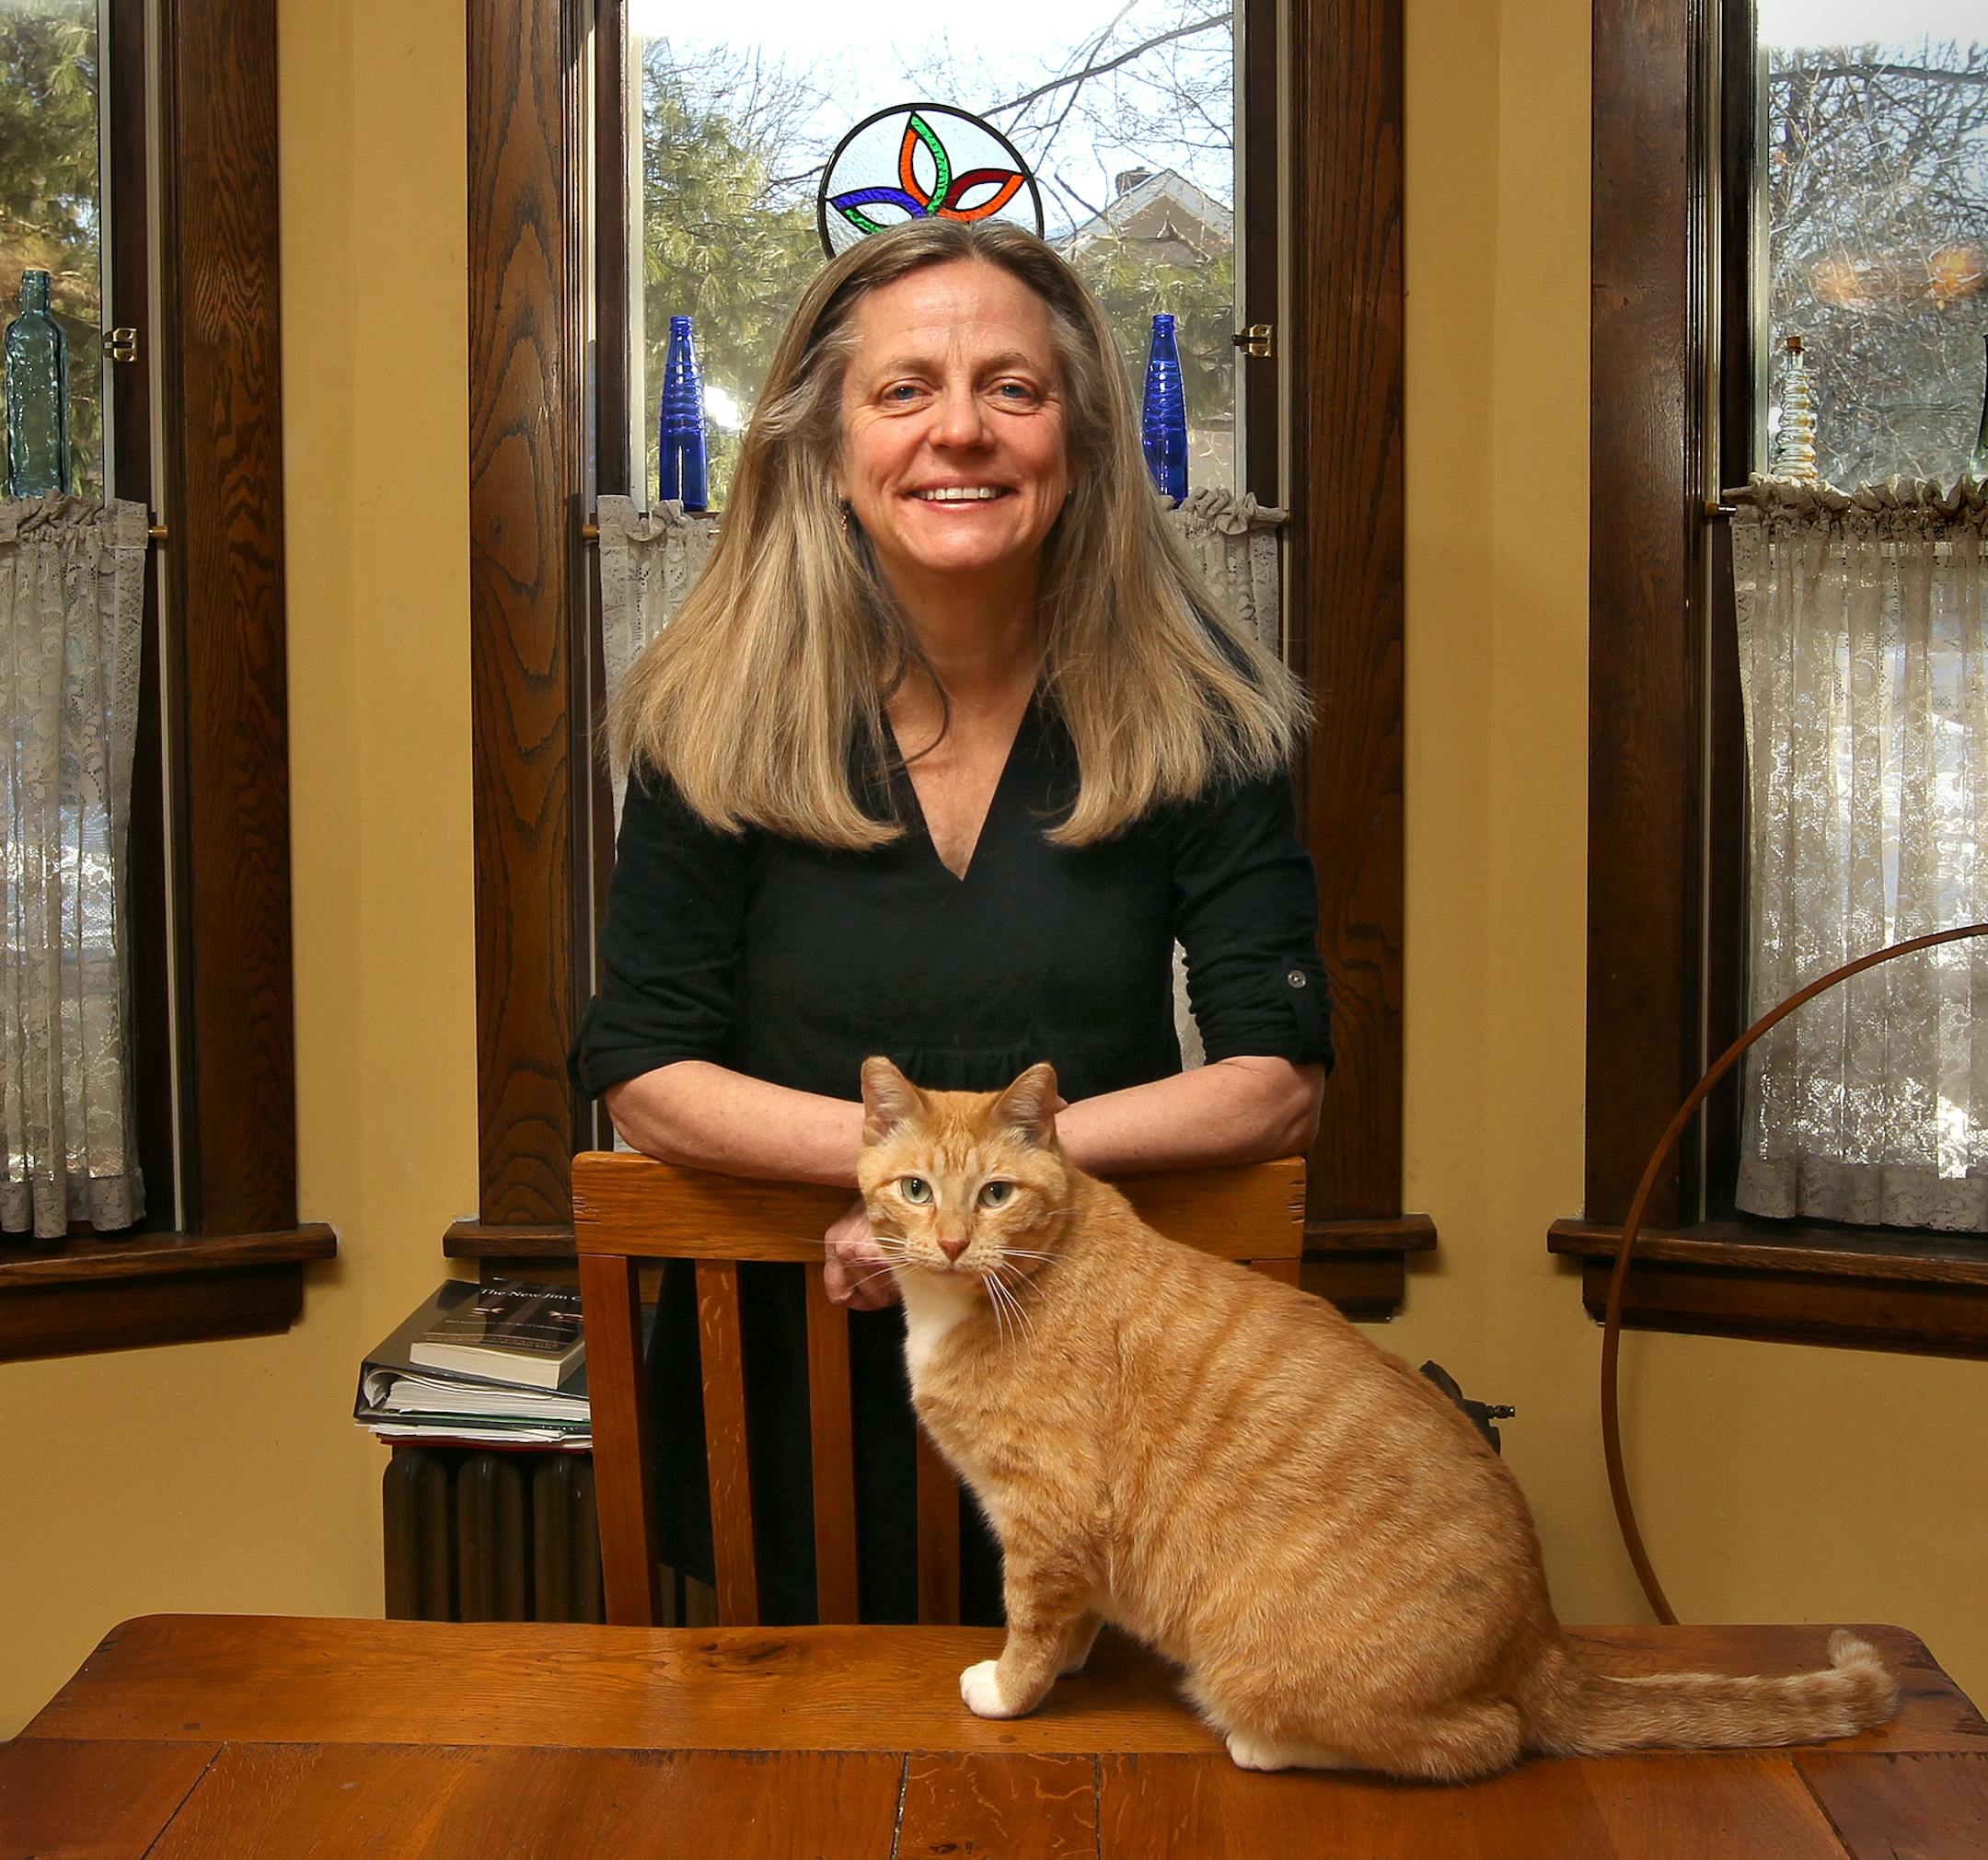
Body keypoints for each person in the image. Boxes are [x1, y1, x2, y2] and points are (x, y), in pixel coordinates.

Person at [572, 217, 1332, 1624]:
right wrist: (908, 1195)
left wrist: (967, 1210)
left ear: (1080, 444)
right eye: (905, 388)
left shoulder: (1211, 714)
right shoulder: (706, 715)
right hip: (778, 1421)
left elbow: (1276, 1081)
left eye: (1013, 389)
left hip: (1111, 1417)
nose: (962, 430)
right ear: (827, 446)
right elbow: (647, 1072)